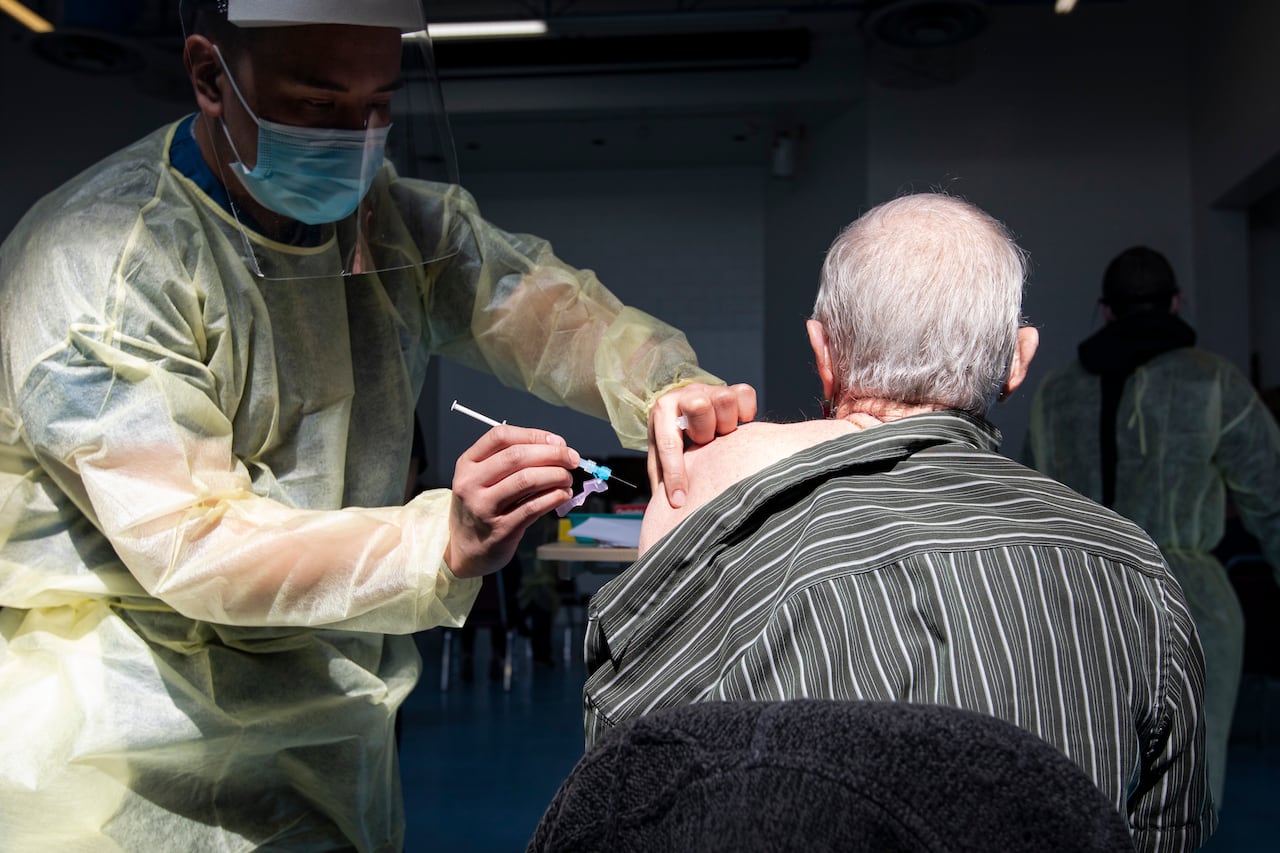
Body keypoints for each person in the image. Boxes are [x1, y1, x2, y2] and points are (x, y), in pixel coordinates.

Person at [0, 1, 755, 849]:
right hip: (121, 765)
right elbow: (192, 541)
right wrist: (440, 541)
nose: (356, 139)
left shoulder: (388, 226)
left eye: (379, 105)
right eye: (319, 105)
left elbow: (534, 302)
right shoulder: (99, 270)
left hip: (330, 747)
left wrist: (665, 381)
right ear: (213, 77)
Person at [584, 193, 1214, 853]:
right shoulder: (1139, 576)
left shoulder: (723, 522)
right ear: (1018, 360)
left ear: (822, 352)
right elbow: (1168, 834)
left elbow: (618, 795)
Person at [1024, 245, 1280, 809]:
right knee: (1184, 785)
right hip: (1191, 607)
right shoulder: (1213, 383)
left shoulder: (1055, 394)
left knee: (1088, 777)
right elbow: (1272, 498)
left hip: (1078, 606)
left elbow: (1031, 514)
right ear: (1177, 302)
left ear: (1105, 310)